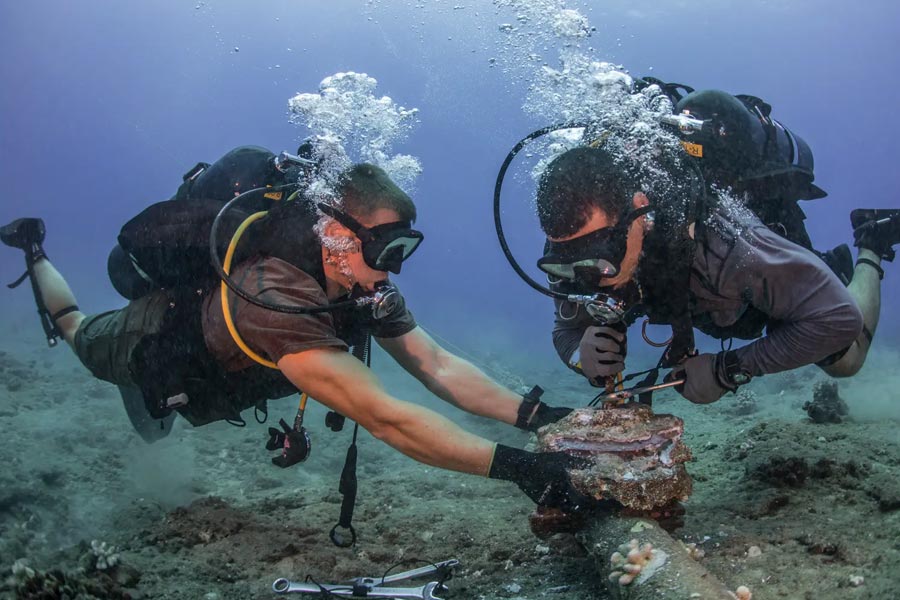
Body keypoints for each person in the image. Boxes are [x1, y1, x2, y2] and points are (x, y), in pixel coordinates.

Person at [1, 146, 583, 512]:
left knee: (155, 425)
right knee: (77, 332)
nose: (393, 267)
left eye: (405, 247)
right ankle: (34, 252)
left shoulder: (361, 284)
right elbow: (384, 415)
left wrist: (540, 417)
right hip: (146, 342)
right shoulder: (274, 296)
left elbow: (435, 365)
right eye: (384, 247)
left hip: (210, 382)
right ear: (335, 233)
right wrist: (521, 468)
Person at [532, 93, 900, 404]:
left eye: (600, 259)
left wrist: (729, 370)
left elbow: (836, 320)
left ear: (639, 214)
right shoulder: (573, 247)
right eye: (565, 264)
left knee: (846, 363)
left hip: (742, 278)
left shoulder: (728, 240)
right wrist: (580, 354)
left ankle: (872, 240)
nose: (588, 278)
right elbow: (565, 329)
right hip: (699, 294)